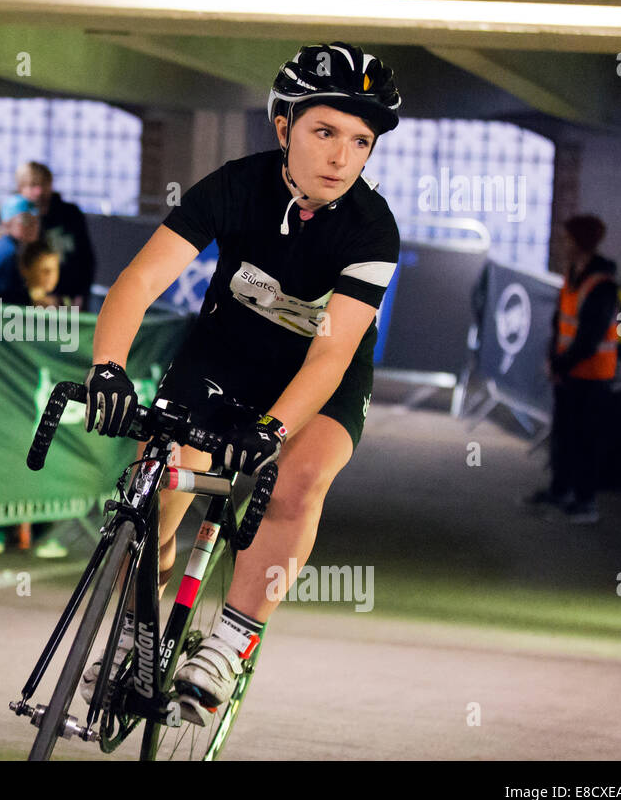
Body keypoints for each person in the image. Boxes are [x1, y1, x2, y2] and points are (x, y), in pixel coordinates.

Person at [76, 41, 403, 723]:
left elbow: (330, 356)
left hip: (320, 374)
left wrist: (272, 431)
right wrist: (106, 365)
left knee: (300, 475)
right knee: (158, 477)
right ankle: (139, 623)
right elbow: (138, 282)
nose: (341, 157)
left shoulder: (373, 228)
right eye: (324, 132)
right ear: (284, 126)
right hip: (226, 355)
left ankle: (229, 641)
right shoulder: (234, 185)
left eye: (360, 141)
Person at [524, 215, 619, 525]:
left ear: (580, 242)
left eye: (567, 239)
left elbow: (589, 339)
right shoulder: (574, 276)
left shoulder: (601, 285)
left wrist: (559, 364)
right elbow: (560, 323)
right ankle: (561, 491)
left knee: (586, 440)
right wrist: (556, 361)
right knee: (565, 436)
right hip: (569, 373)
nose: (563, 244)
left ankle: (585, 502)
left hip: (592, 376)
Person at [17, 161, 96, 310]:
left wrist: (81, 294)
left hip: (70, 299)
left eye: (44, 184)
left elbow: (87, 258)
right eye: (33, 185)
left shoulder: (70, 214)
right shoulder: (17, 218)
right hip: (32, 303)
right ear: (21, 188)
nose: (39, 192)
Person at [0, 195, 40, 301]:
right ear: (7, 223)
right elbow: (11, 301)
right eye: (26, 220)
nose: (33, 225)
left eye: (35, 219)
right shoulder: (9, 254)